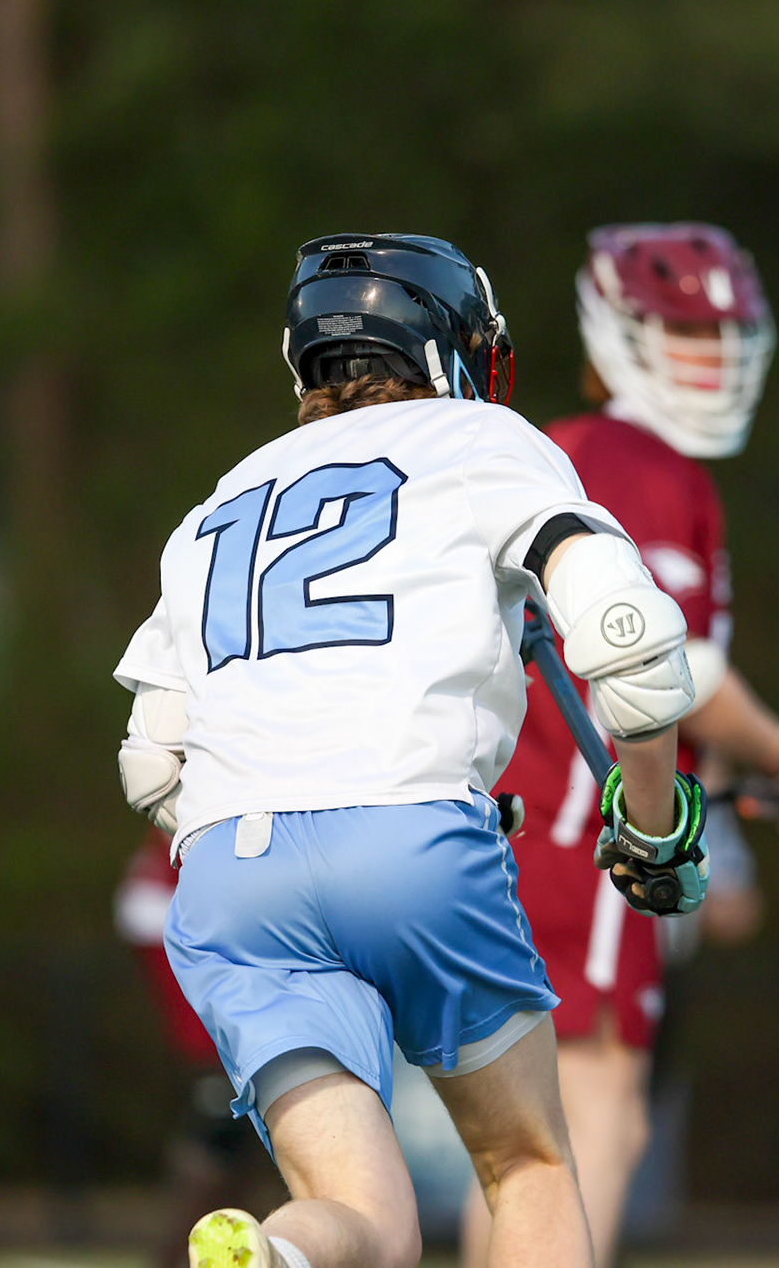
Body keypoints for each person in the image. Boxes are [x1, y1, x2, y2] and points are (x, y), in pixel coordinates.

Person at [113, 232, 711, 1268]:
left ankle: (271, 1255)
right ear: (454, 349)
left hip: (227, 882)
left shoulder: (218, 501)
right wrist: (652, 829)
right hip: (413, 847)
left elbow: (153, 764)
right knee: (528, 1162)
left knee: (361, 1217)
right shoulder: (485, 442)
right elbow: (634, 642)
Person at [462, 223, 779, 1268]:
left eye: (719, 336)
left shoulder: (570, 449)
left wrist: (752, 774)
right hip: (585, 835)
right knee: (586, 1120)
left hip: (519, 833)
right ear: (614, 339)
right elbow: (666, 662)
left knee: (526, 1142)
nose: (706, 358)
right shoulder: (638, 462)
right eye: (681, 333)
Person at [114, 827, 271, 1268]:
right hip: (221, 1037)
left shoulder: (162, 872)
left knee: (236, 1146)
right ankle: (178, 1256)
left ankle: (219, 1249)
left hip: (227, 1035)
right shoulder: (172, 870)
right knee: (219, 1136)